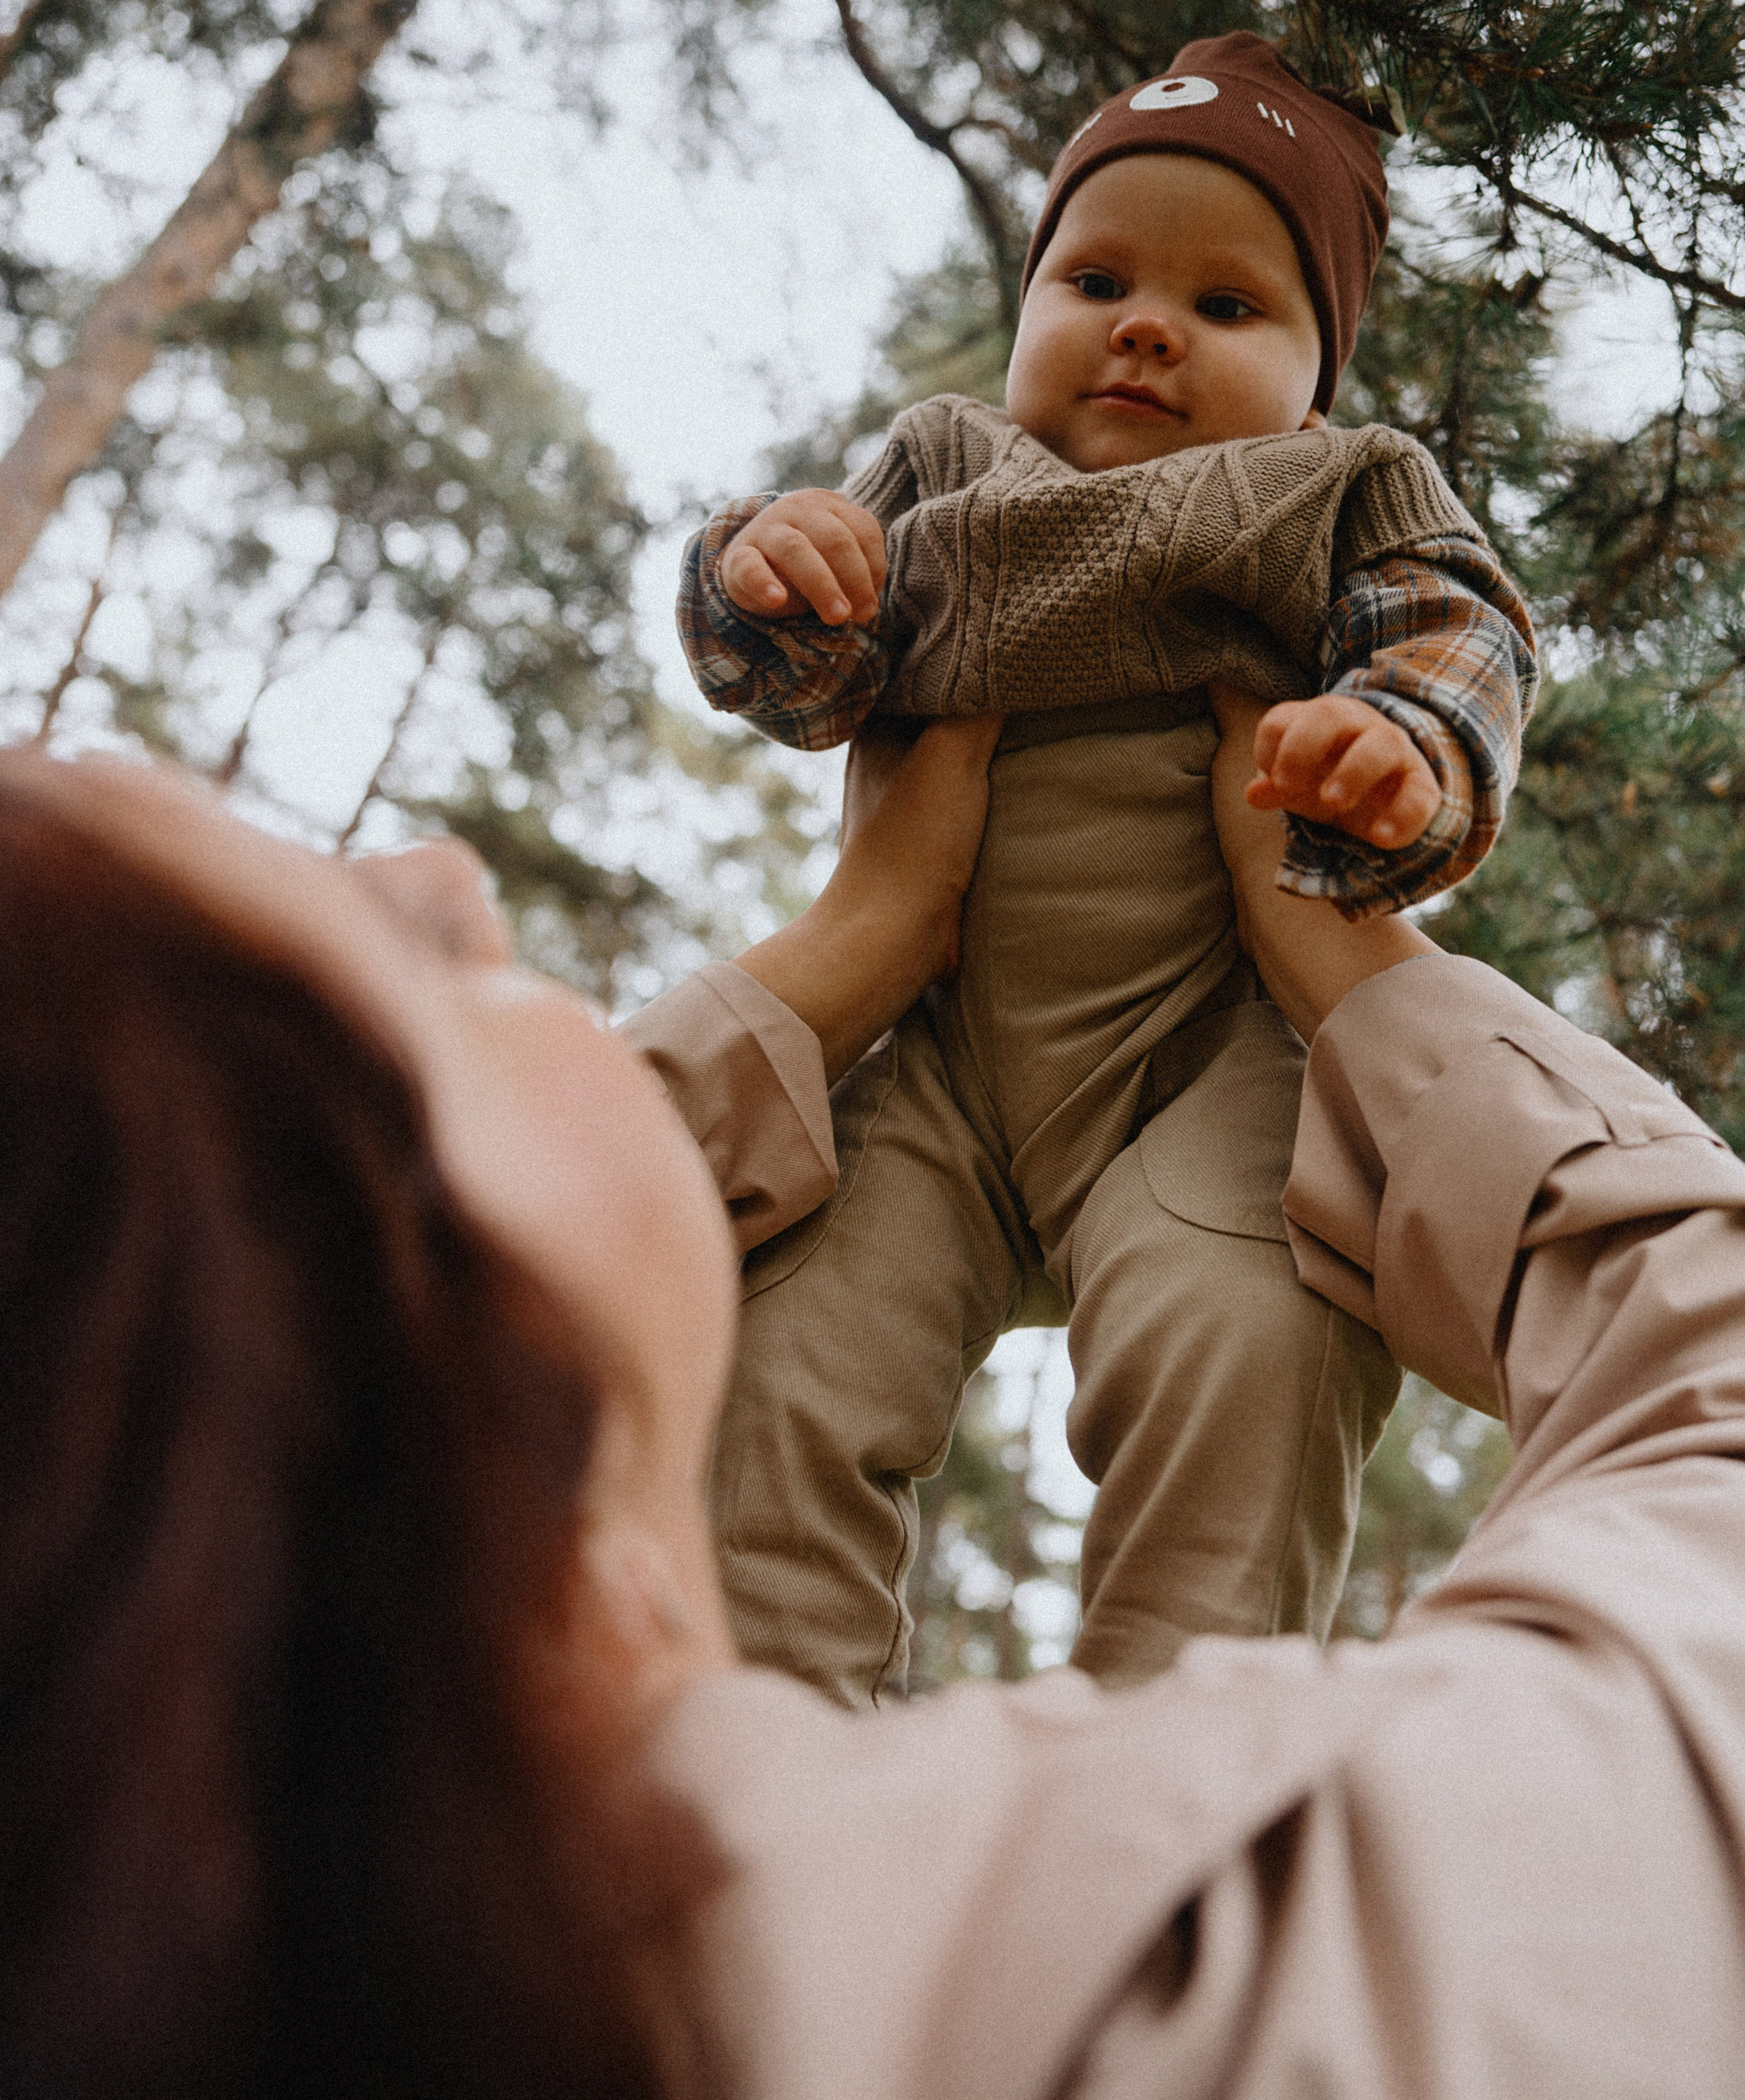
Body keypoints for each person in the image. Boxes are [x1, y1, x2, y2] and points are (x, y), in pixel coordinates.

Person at [8, 705, 1745, 2100]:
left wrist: (848, 947)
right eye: (424, 962)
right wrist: (1363, 985)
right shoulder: (1183, 1969)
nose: (448, 867)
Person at [677, 31, 1541, 1701]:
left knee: (1258, 1338)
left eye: (1228, 308)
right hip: (922, 1060)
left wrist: (1400, 753)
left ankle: (1170, 1769)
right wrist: (767, 575)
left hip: (1201, 1058)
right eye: (1095, 277)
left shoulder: (1335, 486)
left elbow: (1456, 633)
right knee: (775, 1348)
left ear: (1315, 374)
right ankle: (770, 1761)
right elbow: (799, 679)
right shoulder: (942, 467)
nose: (1146, 323)